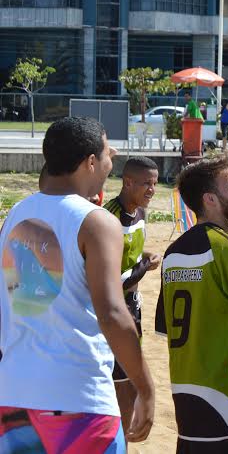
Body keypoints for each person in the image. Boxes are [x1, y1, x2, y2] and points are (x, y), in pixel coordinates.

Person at [0, 117, 154, 451]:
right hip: (79, 402)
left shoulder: (15, 216)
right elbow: (113, 313)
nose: (112, 160)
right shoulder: (97, 222)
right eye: (107, 152)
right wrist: (146, 387)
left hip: (14, 400)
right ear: (90, 162)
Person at [153, 157, 228, 453]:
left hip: (185, 392)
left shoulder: (173, 253)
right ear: (210, 199)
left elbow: (166, 329)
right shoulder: (225, 246)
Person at [104, 156, 162, 431]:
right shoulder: (108, 218)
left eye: (155, 183)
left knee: (128, 377)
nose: (152, 189)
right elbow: (110, 279)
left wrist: (144, 256)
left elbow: (131, 256)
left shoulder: (139, 213)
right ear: (127, 182)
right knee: (120, 382)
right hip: (113, 308)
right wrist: (143, 268)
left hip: (133, 305)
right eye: (146, 184)